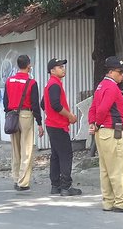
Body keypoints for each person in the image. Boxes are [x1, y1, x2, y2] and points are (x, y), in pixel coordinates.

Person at [89, 56, 123, 213]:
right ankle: (122, 202)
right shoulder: (111, 88)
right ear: (111, 72)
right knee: (118, 168)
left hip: (102, 132)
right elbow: (103, 108)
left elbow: (93, 107)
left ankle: (108, 201)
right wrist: (96, 123)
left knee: (105, 169)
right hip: (112, 131)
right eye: (121, 72)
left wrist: (93, 124)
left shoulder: (101, 86)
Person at [41, 58, 82, 196]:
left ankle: (55, 186)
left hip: (52, 125)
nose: (63, 69)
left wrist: (52, 115)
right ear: (52, 71)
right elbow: (56, 105)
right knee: (66, 155)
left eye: (63, 67)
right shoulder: (54, 85)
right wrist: (69, 116)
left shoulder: (50, 84)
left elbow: (43, 104)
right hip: (58, 126)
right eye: (59, 67)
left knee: (56, 155)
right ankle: (66, 186)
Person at [3, 55, 44, 191]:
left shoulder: (9, 80)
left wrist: (9, 113)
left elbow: (5, 101)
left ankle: (15, 179)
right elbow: (35, 104)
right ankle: (23, 182)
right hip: (26, 115)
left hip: (12, 114)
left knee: (15, 149)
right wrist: (39, 122)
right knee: (26, 149)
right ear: (29, 65)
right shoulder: (31, 82)